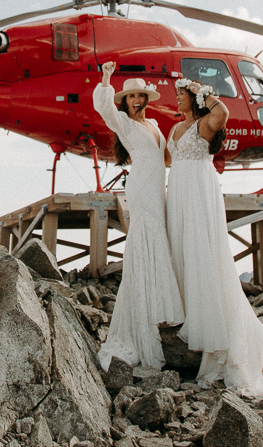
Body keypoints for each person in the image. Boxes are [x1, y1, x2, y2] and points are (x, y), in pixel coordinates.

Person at [165, 78, 263, 397]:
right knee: (182, 250)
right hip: (179, 196)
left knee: (203, 254)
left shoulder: (204, 124)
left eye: (181, 95)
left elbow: (223, 111)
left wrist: (203, 91)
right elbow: (168, 160)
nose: (177, 99)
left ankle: (218, 339)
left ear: (194, 98)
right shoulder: (174, 130)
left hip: (199, 194)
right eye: (178, 95)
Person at [92, 61, 184, 370]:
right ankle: (144, 312)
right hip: (142, 187)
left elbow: (166, 156)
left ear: (146, 100)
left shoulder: (155, 125)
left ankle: (158, 303)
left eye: (141, 97)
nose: (137, 101)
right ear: (125, 101)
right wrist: (106, 77)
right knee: (147, 235)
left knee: (159, 236)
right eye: (132, 97)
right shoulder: (124, 124)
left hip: (158, 186)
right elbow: (104, 107)